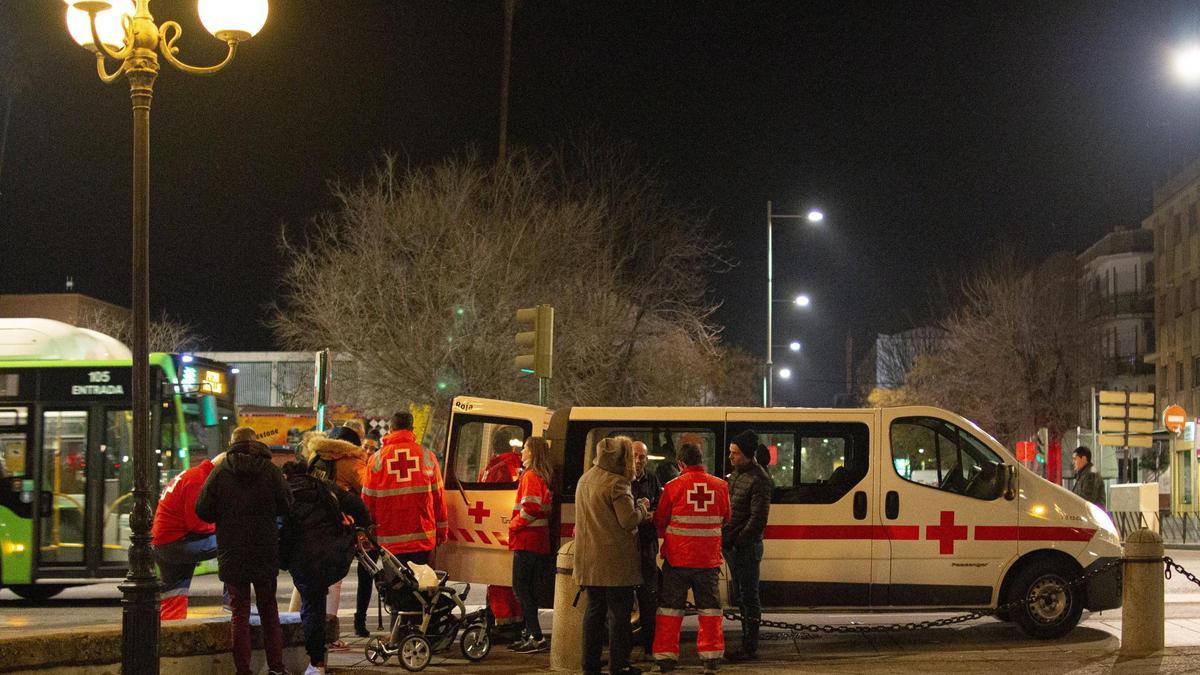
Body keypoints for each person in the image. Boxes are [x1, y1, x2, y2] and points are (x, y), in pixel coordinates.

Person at [195, 427, 293, 675]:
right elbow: (287, 504)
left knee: (239, 612)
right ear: (255, 442)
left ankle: (243, 670)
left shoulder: (220, 472)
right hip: (265, 548)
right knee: (269, 610)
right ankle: (277, 668)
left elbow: (202, 509)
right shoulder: (270, 471)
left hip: (232, 550)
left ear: (232, 443)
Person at [279, 460, 372, 675]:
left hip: (302, 556)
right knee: (316, 598)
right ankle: (318, 662)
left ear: (287, 476)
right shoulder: (324, 486)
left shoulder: (284, 492)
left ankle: (317, 662)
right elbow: (358, 506)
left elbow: (280, 528)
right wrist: (362, 529)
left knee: (312, 605)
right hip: (332, 554)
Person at [574, 435, 652, 675]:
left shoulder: (585, 479)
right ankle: (619, 665)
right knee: (619, 615)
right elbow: (628, 521)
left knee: (594, 613)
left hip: (589, 560)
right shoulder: (617, 483)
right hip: (614, 562)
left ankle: (590, 664)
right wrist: (642, 507)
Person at [652, 443, 730, 674]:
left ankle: (666, 659)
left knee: (670, 610)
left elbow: (660, 520)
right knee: (710, 611)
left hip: (677, 561)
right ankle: (711, 659)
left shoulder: (672, 487)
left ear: (681, 464)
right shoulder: (720, 486)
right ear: (701, 460)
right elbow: (725, 517)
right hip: (707, 562)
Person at [294, 425, 369, 646]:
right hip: (335, 525)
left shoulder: (316, 457)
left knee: (307, 581)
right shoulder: (350, 461)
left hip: (308, 524)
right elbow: (367, 488)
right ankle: (328, 634)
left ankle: (299, 628)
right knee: (333, 580)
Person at [361, 411, 447, 567]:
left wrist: (367, 535)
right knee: (422, 587)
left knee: (394, 588)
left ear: (390, 428)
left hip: (389, 542)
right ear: (412, 429)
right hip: (422, 540)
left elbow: (367, 502)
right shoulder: (427, 456)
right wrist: (442, 531)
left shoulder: (376, 460)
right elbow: (438, 498)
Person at [152, 451, 223, 620]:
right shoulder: (199, 482)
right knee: (234, 539)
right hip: (177, 543)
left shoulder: (192, 475)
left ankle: (171, 629)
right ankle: (234, 604)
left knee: (174, 594)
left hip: (165, 542)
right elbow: (199, 524)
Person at [721, 430, 772, 662]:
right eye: (731, 452)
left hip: (745, 547)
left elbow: (758, 519)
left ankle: (749, 646)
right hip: (732, 545)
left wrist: (738, 540)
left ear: (748, 455)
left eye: (735, 453)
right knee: (741, 597)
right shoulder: (736, 475)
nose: (730, 457)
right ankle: (745, 640)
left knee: (749, 597)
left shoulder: (759, 479)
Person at [507, 436, 554, 653]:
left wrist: (514, 525)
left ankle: (535, 636)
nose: (522, 452)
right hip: (537, 541)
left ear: (533, 453)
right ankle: (530, 634)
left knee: (521, 589)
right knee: (530, 591)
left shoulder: (531, 476)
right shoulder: (541, 476)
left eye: (525, 448)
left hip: (527, 540)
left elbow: (531, 508)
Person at [630, 440, 663, 659]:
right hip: (627, 547)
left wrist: (654, 514)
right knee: (623, 599)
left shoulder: (652, 479)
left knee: (648, 598)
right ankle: (624, 649)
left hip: (647, 544)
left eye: (642, 456)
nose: (639, 460)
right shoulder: (622, 479)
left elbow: (660, 505)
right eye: (635, 455)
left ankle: (650, 648)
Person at [353, 428, 384, 637]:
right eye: (365, 447)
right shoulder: (352, 468)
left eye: (372, 449)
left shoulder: (376, 470)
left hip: (370, 529)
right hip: (354, 526)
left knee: (367, 576)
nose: (368, 452)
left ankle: (360, 621)